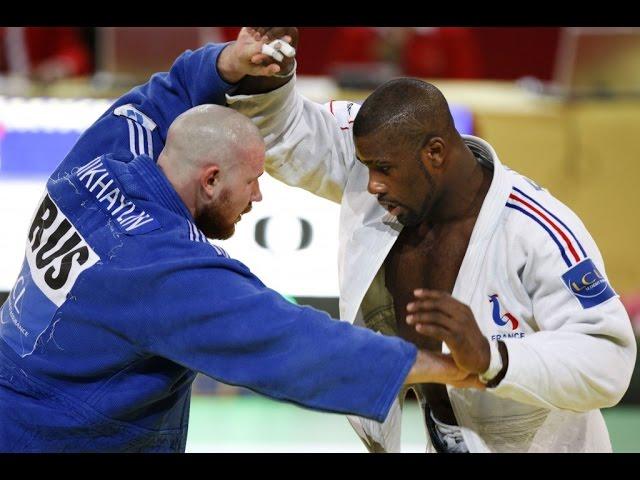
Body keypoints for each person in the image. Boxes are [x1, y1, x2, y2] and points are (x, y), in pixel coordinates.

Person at [0, 30, 480, 453]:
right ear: (209, 180)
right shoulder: (159, 270)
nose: (258, 194)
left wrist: (228, 59)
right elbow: (293, 343)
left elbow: (162, 95)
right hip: (55, 436)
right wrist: (446, 367)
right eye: (250, 179)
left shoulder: (101, 161)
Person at [228, 27, 637, 452]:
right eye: (368, 167)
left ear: (436, 153)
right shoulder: (382, 159)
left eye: (383, 169)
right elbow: (288, 131)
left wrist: (492, 358)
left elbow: (608, 362)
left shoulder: (537, 231)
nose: (370, 186)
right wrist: (269, 76)